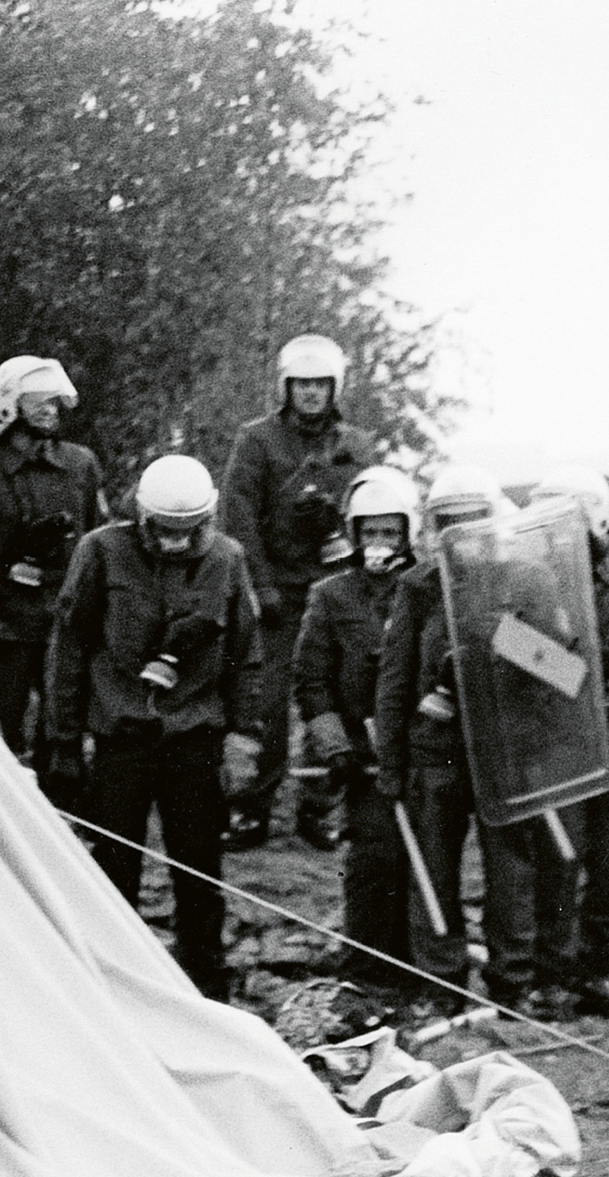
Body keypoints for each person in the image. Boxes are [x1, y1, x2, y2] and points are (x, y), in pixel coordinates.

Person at [46, 455, 263, 999]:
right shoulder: (100, 551)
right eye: (164, 530)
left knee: (199, 868)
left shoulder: (228, 560)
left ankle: (204, 985)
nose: (175, 542)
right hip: (122, 737)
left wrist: (244, 736)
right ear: (142, 517)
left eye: (188, 532)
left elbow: (246, 655)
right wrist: (63, 741)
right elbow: (69, 646)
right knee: (113, 867)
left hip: (195, 740)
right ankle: (111, 983)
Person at [375, 464, 566, 1014]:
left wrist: (490, 643)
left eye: (469, 521)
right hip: (436, 753)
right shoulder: (417, 587)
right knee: (432, 871)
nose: (458, 535)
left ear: (491, 521)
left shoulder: (529, 579)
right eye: (447, 523)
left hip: (506, 750)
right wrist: (392, 761)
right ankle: (443, 984)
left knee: (512, 872)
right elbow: (395, 678)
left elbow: (558, 669)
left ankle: (513, 983)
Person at [220, 334, 375, 850]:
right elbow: (237, 515)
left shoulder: (356, 445)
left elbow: (372, 511)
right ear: (287, 387)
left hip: (333, 590)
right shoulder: (257, 440)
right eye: (302, 383)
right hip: (276, 592)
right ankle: (252, 808)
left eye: (320, 384)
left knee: (335, 699)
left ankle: (319, 807)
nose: (311, 393)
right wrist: (258, 585)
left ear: (335, 388)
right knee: (266, 704)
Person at [0, 357, 106, 783]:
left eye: (56, 401)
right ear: (9, 402)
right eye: (38, 400)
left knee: (64, 740)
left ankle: (62, 823)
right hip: (5, 629)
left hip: (67, 625)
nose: (50, 410)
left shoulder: (80, 464)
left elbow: (97, 544)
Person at [529, 464, 609, 1017]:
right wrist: (578, 679)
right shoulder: (524, 582)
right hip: (557, 740)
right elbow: (509, 642)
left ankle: (597, 971)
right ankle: (552, 972)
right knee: (561, 858)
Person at [293, 466, 419, 990]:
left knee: (422, 862)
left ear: (408, 534)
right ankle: (365, 971)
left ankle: (420, 968)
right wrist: (334, 747)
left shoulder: (429, 587)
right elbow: (311, 681)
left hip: (422, 749)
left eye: (390, 532)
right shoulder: (330, 596)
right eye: (370, 532)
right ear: (352, 535)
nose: (379, 543)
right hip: (362, 754)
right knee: (373, 858)